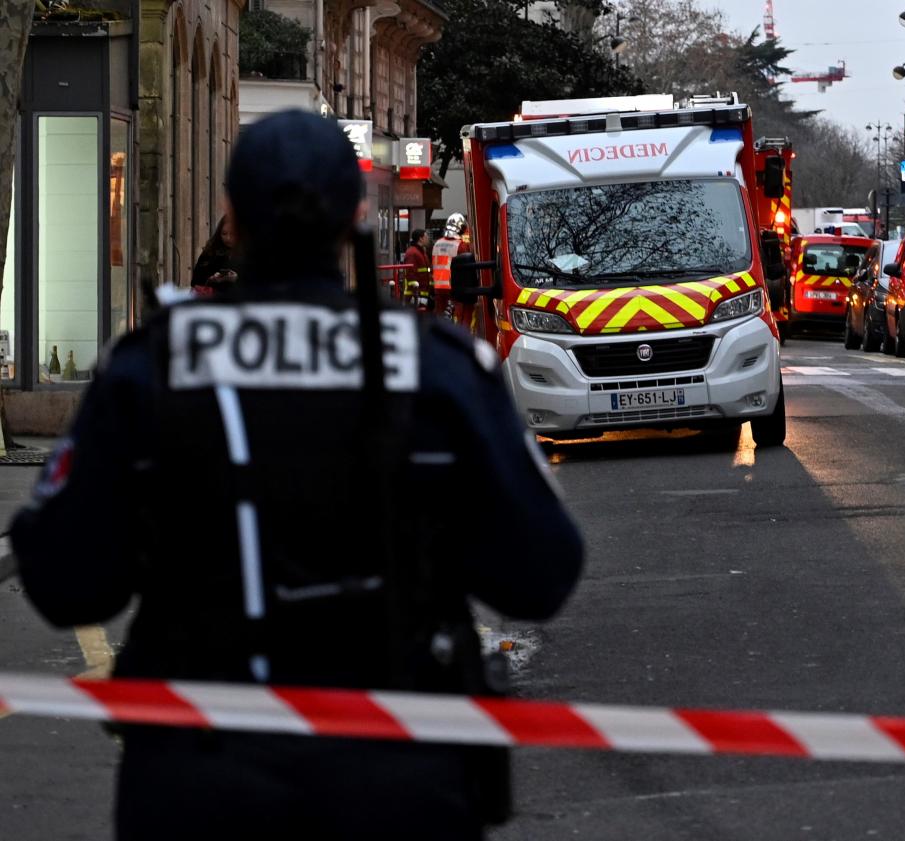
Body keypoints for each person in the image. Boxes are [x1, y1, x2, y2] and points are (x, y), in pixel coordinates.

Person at [11, 110, 584, 840]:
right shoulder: (435, 366)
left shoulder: (152, 365)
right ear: (356, 215)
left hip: (203, 780)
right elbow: (541, 571)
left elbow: (66, 579)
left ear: (231, 218)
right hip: (401, 777)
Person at [431, 213, 471, 331]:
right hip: (454, 288)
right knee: (457, 319)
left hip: (438, 288)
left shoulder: (437, 244)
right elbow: (467, 269)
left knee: (440, 318)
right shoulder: (461, 245)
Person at [190, 216, 238, 294]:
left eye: (232, 233)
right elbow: (195, 282)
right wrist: (212, 279)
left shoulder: (249, 253)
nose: (228, 238)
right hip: (211, 301)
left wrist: (237, 278)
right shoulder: (210, 251)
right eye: (224, 234)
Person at [402, 228, 432, 311]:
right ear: (420, 239)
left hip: (423, 294)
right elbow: (410, 274)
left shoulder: (422, 253)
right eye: (426, 237)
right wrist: (415, 294)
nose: (428, 239)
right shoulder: (412, 253)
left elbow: (426, 272)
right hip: (415, 295)